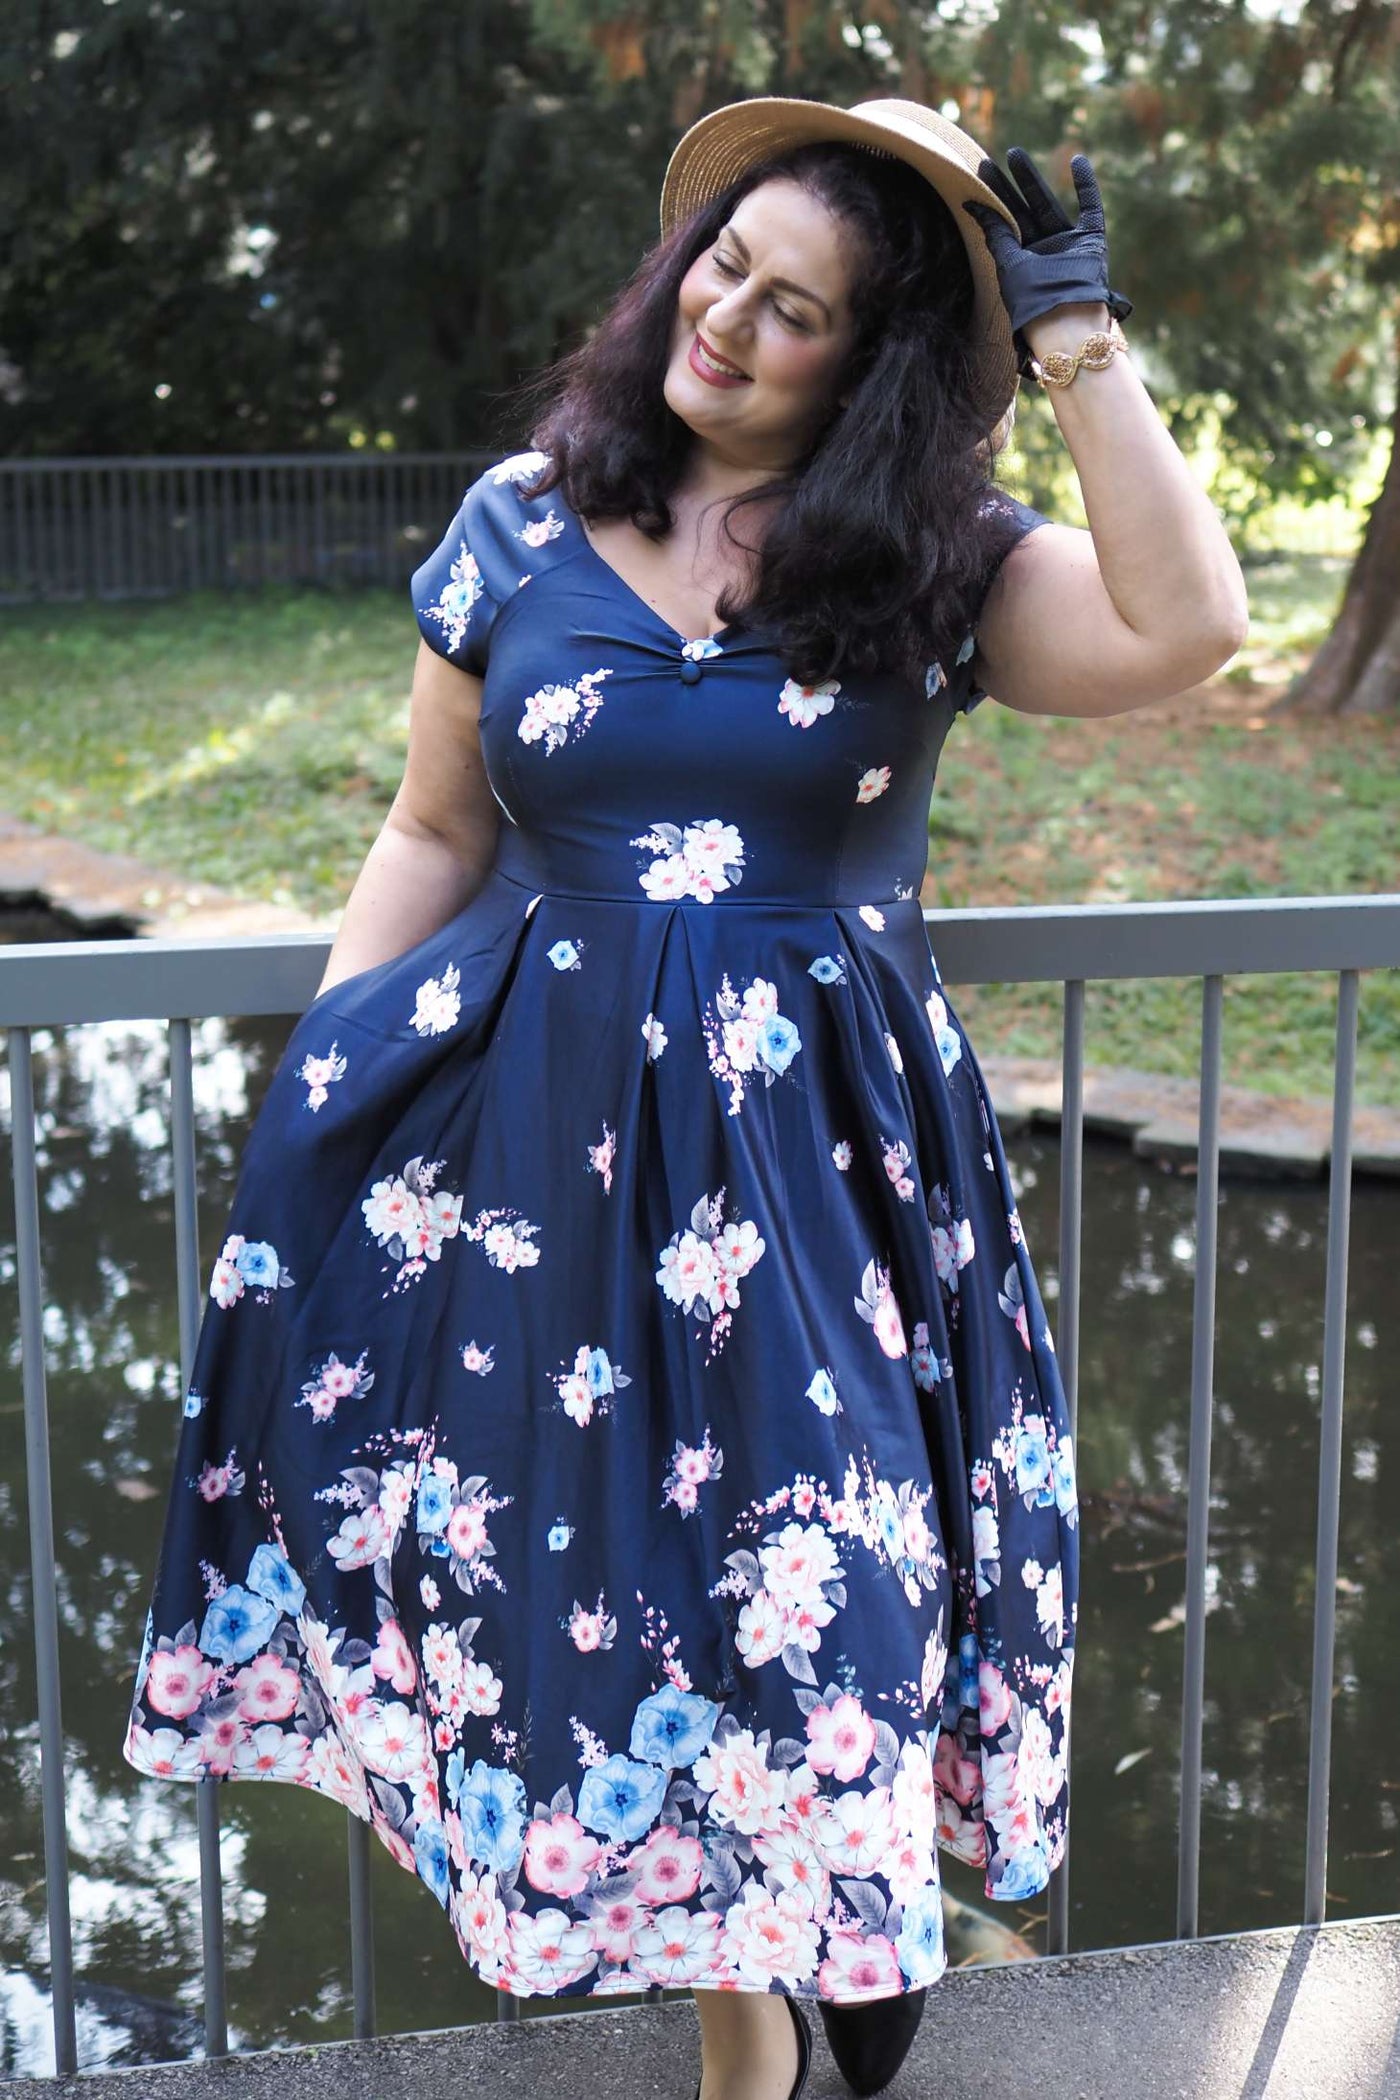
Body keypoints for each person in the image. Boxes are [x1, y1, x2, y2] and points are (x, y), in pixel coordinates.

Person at [121, 94, 1248, 2100]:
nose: (724, 321)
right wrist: (317, 1086)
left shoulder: (931, 558)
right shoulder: (522, 518)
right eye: (721, 265)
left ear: (871, 361)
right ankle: (749, 2036)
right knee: (612, 1594)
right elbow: (428, 826)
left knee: (845, 1580)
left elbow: (1186, 627)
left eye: (792, 307)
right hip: (532, 1159)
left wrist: (1077, 344)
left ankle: (859, 1917)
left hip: (824, 1174)